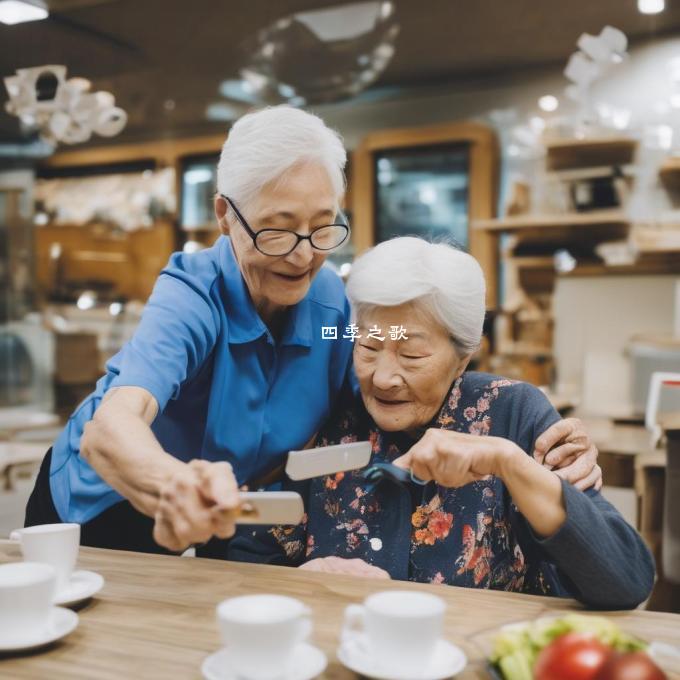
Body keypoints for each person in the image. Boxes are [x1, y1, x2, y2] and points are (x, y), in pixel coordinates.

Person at [230, 238, 654, 610]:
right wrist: (300, 579)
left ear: (463, 358)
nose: (383, 377)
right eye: (369, 346)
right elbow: (241, 559)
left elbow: (626, 579)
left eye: (412, 355)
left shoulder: (512, 413)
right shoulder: (327, 411)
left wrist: (509, 461)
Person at [25, 105, 354, 554]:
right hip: (109, 501)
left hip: (226, 514)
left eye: (322, 227)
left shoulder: (332, 308)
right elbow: (111, 426)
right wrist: (175, 484)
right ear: (225, 215)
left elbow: (368, 365)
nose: (303, 257)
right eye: (276, 231)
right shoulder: (192, 296)